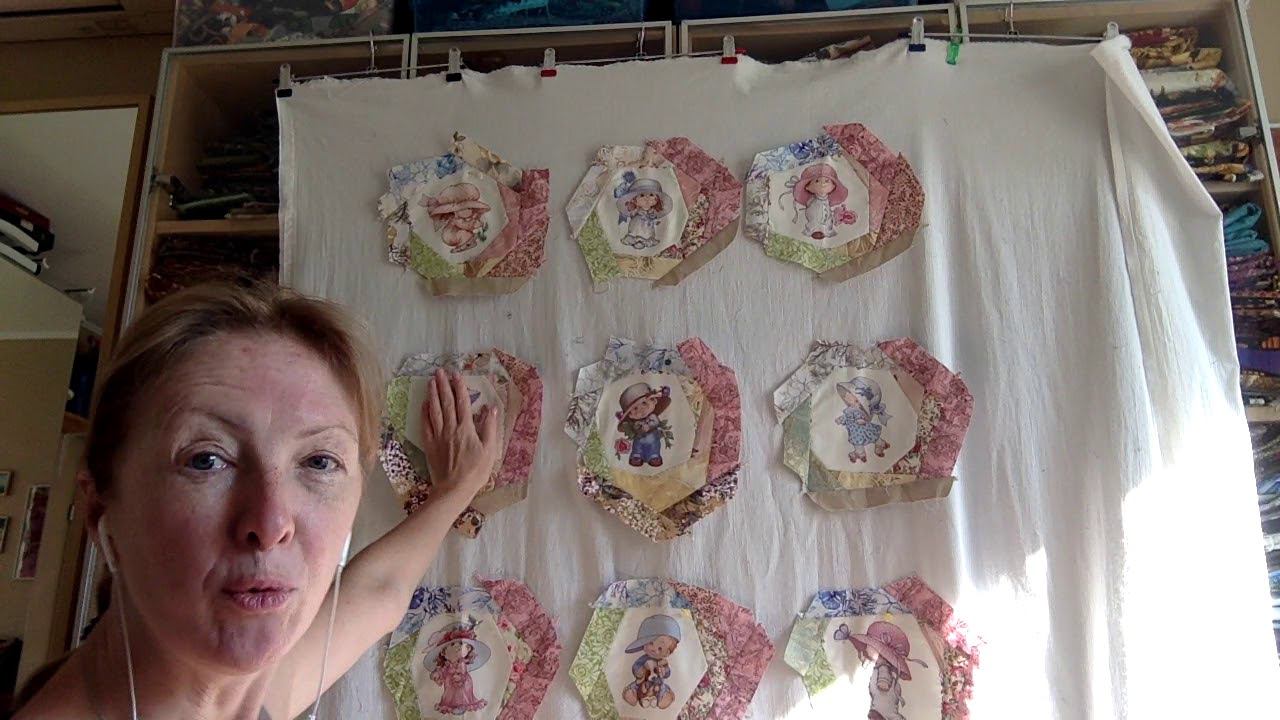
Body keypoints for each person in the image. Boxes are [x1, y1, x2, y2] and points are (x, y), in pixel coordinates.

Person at [13, 281, 501, 720]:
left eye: (319, 461)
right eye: (206, 460)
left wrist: (457, 489)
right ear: (101, 509)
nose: (271, 524)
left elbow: (380, 590)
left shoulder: (248, 695)